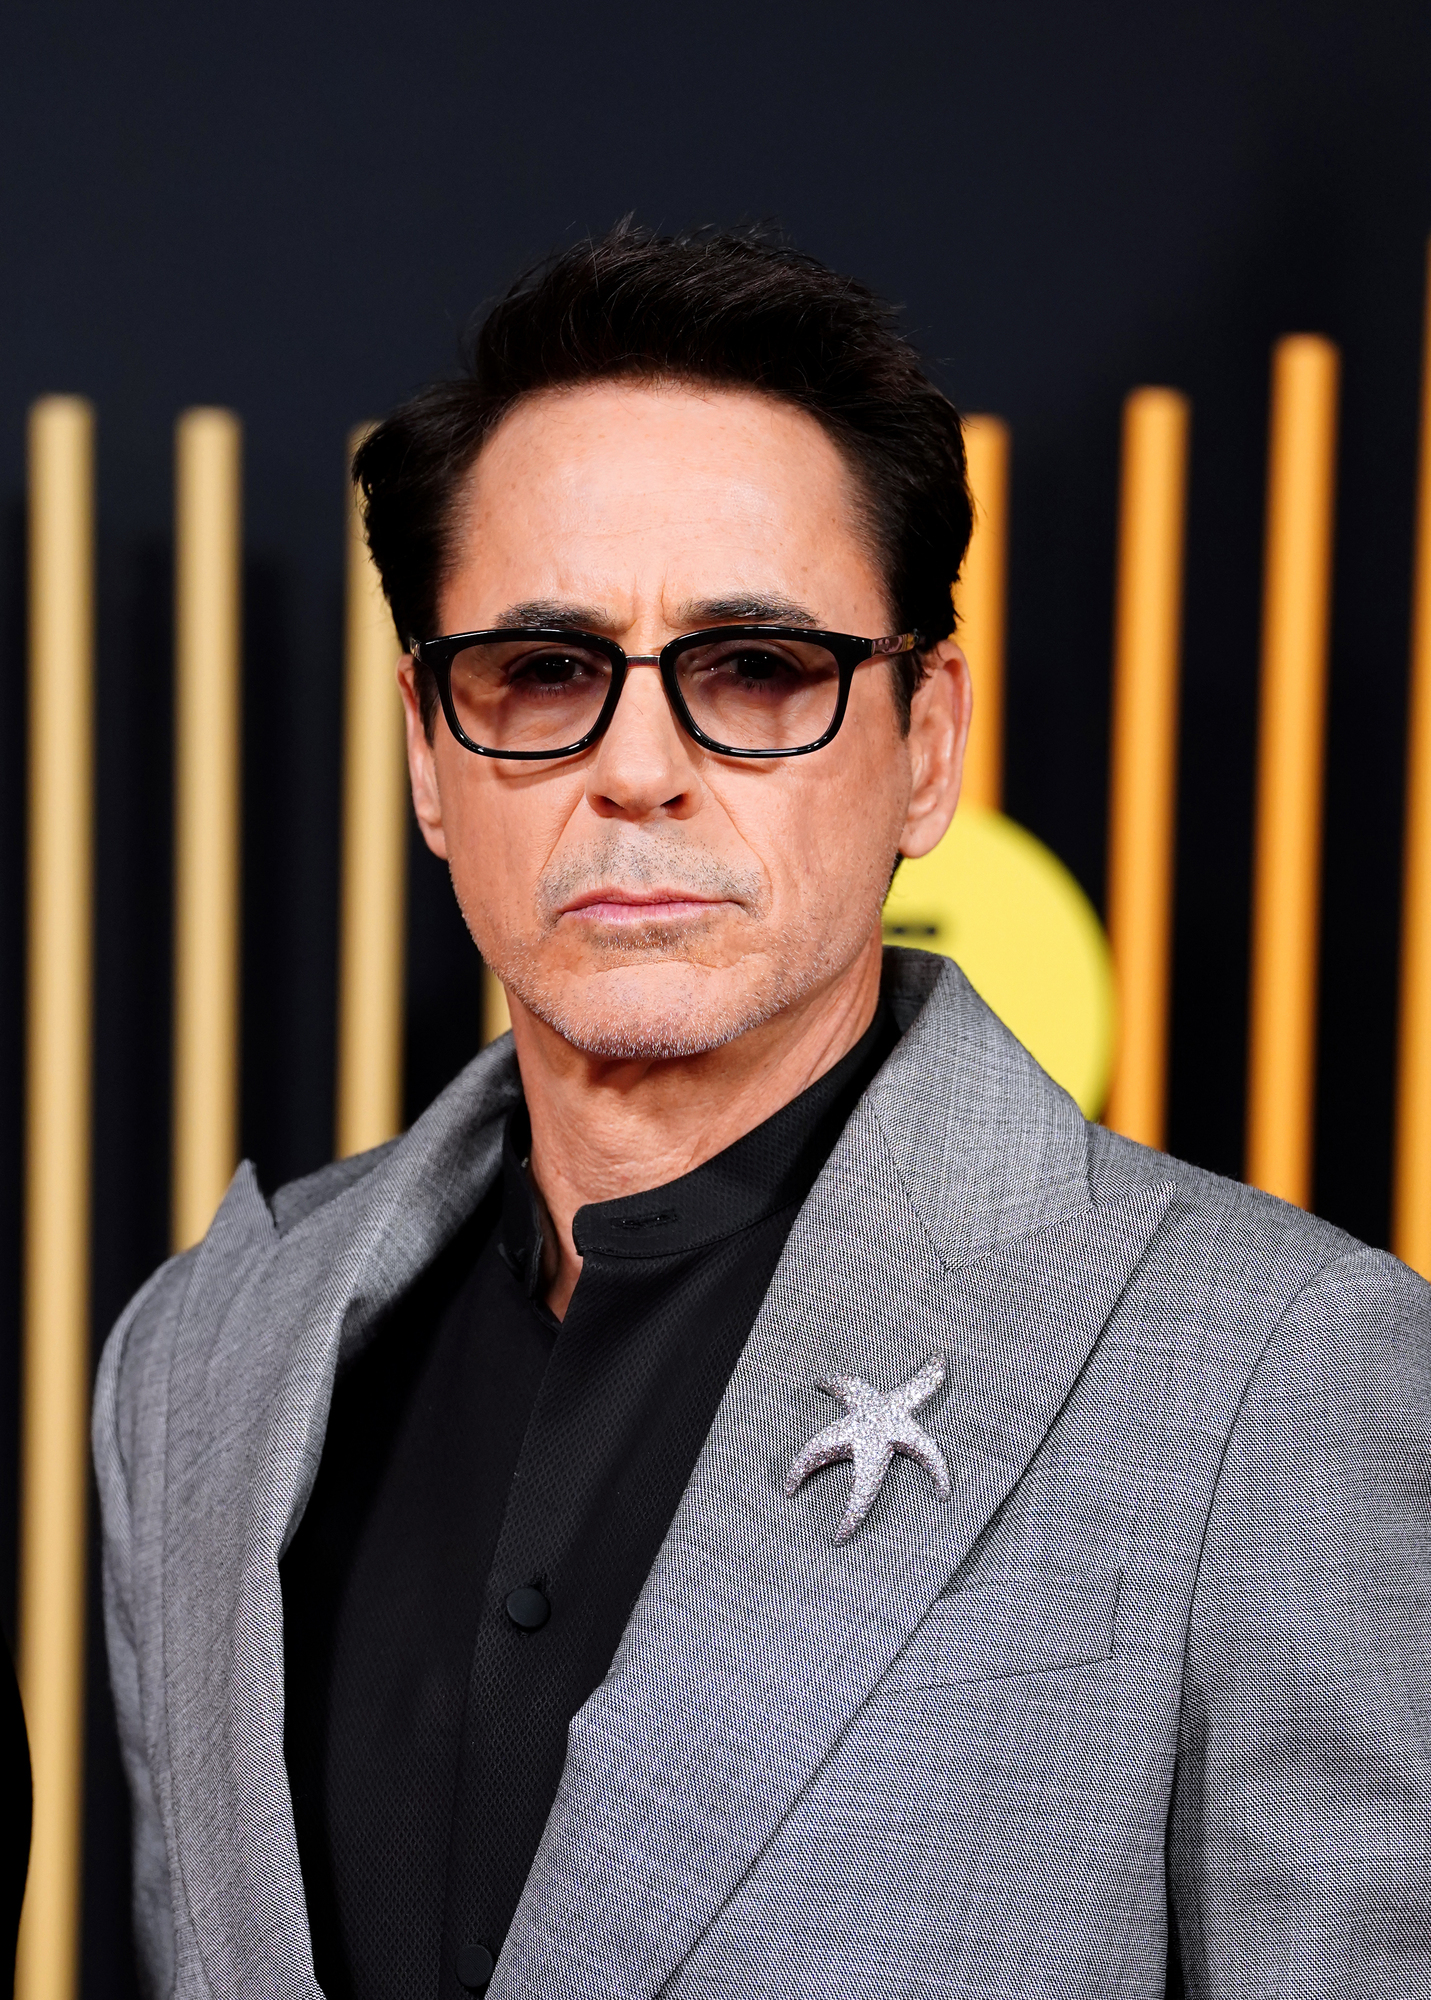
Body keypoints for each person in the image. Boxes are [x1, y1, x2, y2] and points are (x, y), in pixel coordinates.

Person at [95, 222, 1431, 2000]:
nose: (639, 769)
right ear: (428, 749)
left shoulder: (1276, 1371)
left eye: (756, 669)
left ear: (925, 744)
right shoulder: (200, 1365)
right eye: (543, 671)